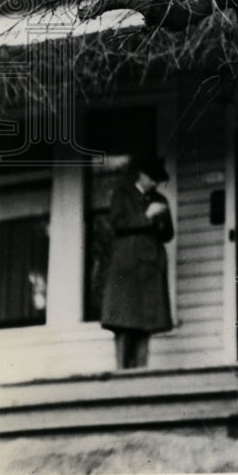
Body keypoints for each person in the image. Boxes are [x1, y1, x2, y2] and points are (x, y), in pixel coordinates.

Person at [100, 155, 174, 370]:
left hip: (151, 268)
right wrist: (147, 217)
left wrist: (159, 219)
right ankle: (122, 376)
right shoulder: (122, 195)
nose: (155, 183)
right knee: (124, 324)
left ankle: (141, 377)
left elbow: (168, 234)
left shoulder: (160, 200)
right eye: (152, 178)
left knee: (145, 324)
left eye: (157, 180)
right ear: (142, 175)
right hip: (127, 268)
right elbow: (117, 223)